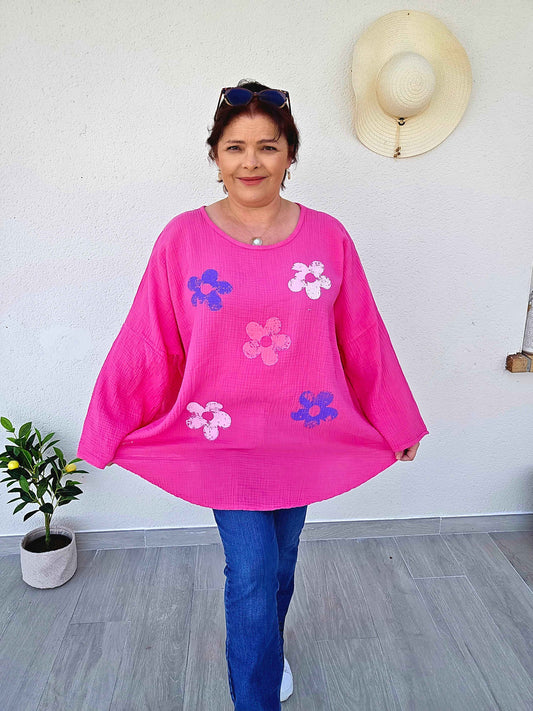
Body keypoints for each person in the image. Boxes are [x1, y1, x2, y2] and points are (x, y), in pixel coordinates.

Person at [77, 79, 429, 711]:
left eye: (268, 146)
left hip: (304, 435)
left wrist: (396, 420)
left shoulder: (328, 237)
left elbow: (362, 335)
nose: (251, 162)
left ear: (290, 154)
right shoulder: (182, 238)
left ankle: (268, 646)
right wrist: (106, 426)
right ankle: (255, 694)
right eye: (235, 147)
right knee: (252, 572)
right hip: (220, 437)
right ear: (215, 155)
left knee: (281, 563)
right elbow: (149, 338)